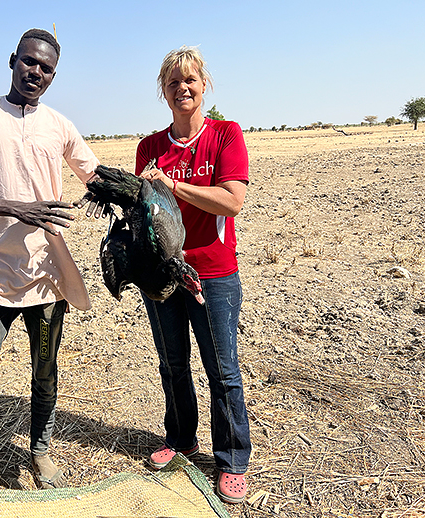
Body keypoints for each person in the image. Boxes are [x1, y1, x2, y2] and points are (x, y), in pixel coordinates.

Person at [0, 28, 104, 491]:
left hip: (47, 277)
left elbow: (93, 174)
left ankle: (40, 453)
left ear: (54, 75)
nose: (37, 73)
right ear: (12, 60)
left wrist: (141, 189)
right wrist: (17, 207)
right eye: (30, 62)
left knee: (45, 369)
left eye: (47, 68)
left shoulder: (58, 125)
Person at [134, 46, 252, 504]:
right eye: (172, 82)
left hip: (214, 273)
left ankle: (232, 459)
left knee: (222, 370)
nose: (182, 88)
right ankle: (181, 439)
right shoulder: (150, 147)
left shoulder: (225, 135)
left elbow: (232, 201)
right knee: (173, 363)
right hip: (163, 275)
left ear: (204, 85)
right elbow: (144, 213)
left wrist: (174, 185)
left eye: (190, 80)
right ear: (163, 93)